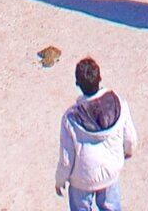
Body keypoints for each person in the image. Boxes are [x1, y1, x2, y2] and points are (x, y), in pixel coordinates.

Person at [55, 55, 135, 211]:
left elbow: (66, 159)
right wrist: (128, 151)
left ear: (77, 83)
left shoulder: (70, 118)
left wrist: (60, 180)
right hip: (110, 173)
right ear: (100, 78)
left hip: (82, 179)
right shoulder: (118, 103)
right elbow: (130, 138)